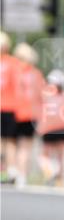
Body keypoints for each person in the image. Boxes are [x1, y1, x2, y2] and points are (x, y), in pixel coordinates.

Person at [12, 43, 46, 185]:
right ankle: (22, 175)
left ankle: (14, 170)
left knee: (12, 144)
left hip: (14, 111)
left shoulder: (15, 72)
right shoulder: (36, 74)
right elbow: (42, 94)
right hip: (31, 114)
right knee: (26, 146)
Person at [37, 69, 64, 184]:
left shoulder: (44, 96)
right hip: (61, 128)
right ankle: (59, 178)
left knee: (44, 155)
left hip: (47, 129)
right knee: (60, 156)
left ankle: (51, 172)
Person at [0, 31, 21, 182]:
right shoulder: (13, 63)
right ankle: (11, 169)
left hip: (6, 106)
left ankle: (6, 168)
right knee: (10, 141)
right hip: (10, 107)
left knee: (3, 140)